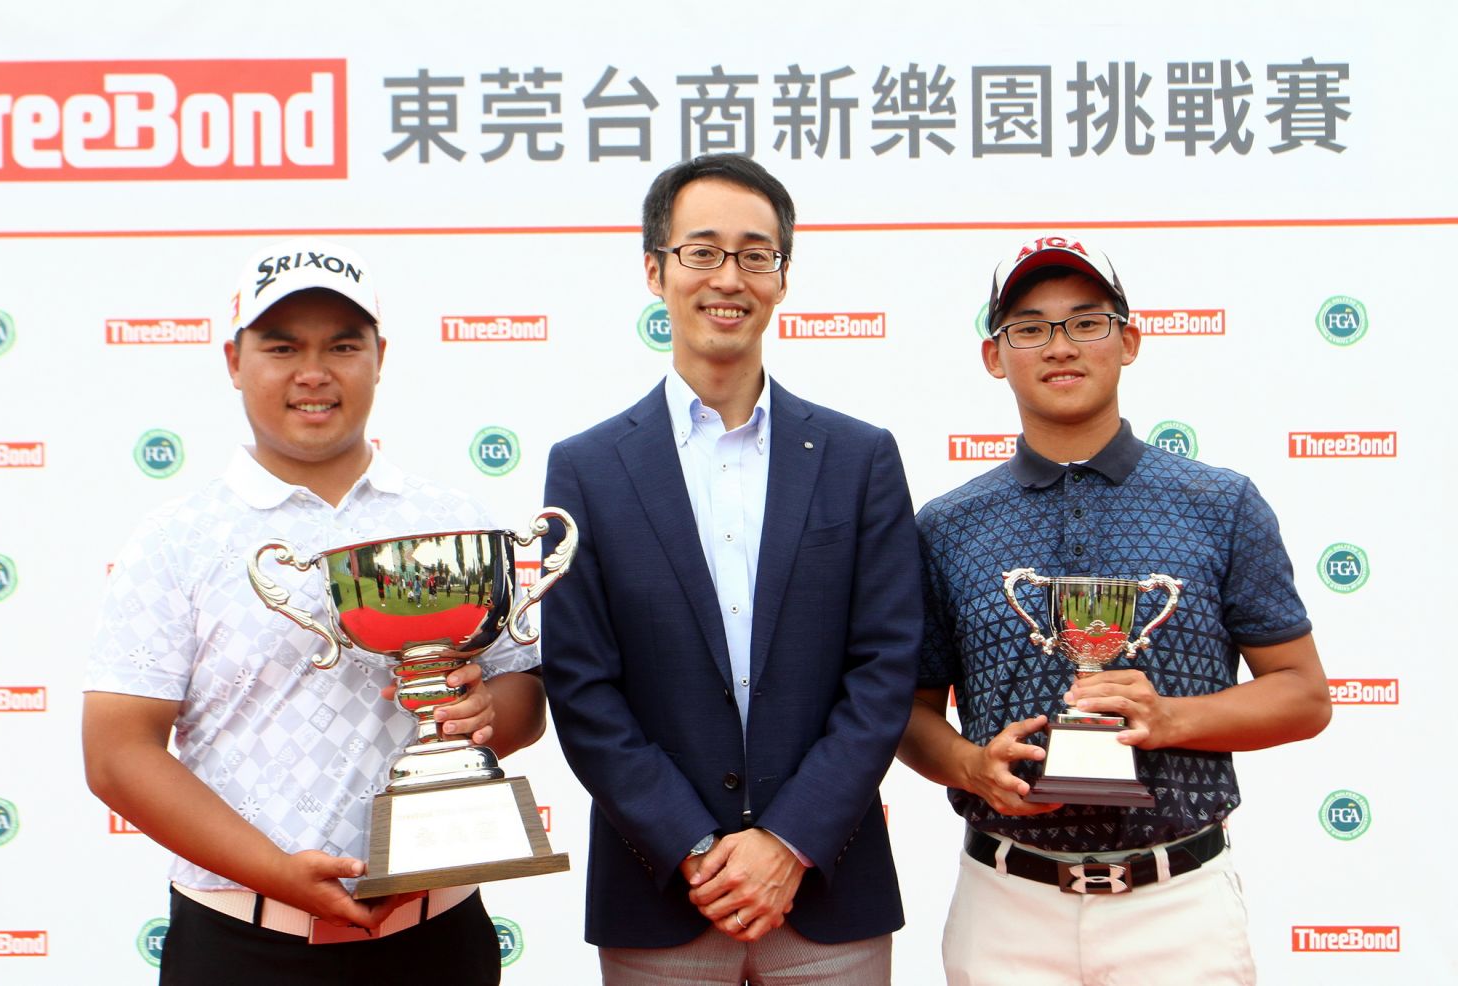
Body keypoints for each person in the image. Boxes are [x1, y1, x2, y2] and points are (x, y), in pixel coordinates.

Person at [82, 239, 547, 985]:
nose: (314, 373)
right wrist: (276, 872)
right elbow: (116, 752)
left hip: (439, 939)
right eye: (282, 346)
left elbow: (524, 701)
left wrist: (482, 706)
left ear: (379, 356)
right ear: (234, 361)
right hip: (245, 945)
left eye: (342, 345)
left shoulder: (450, 518)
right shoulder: (177, 538)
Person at [898, 235, 1332, 985]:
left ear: (1128, 340)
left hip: (1180, 907)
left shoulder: (1220, 503)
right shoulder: (947, 525)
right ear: (995, 356)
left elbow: (1304, 695)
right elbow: (909, 714)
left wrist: (1172, 719)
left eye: (1085, 322)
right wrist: (972, 766)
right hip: (1005, 905)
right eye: (1029, 327)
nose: (1059, 346)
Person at [540, 154, 923, 985]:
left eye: (757, 255)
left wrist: (789, 844)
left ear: (783, 278)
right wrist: (696, 848)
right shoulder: (588, 469)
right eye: (702, 251)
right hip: (660, 895)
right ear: (656, 269)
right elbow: (581, 685)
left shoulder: (860, 458)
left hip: (827, 894)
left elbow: (887, 667)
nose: (730, 277)